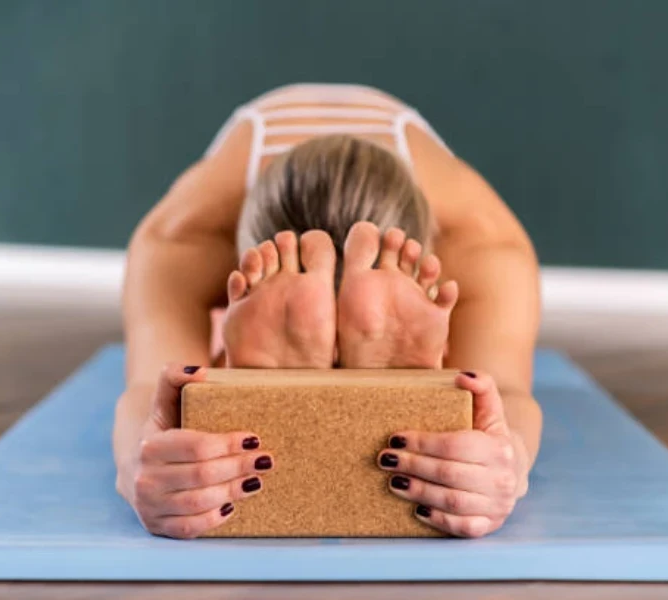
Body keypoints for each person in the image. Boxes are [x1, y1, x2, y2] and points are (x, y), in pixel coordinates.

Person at [112, 84, 542, 539]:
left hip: (388, 260)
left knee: (193, 388)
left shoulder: (483, 243)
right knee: (466, 383)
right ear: (235, 261)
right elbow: (510, 390)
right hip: (258, 252)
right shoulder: (182, 237)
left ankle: (265, 374)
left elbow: (145, 388)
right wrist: (140, 463)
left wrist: (505, 461)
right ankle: (371, 373)